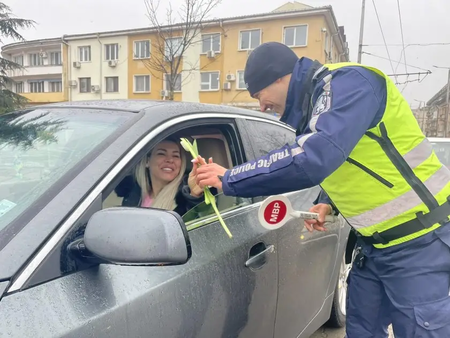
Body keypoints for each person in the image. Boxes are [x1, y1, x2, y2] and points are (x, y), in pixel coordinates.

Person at [194, 41, 450, 337]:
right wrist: (328, 202)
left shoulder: (351, 83)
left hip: (419, 242)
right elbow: (352, 161)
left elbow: (314, 158)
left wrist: (230, 177)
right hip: (374, 248)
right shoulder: (315, 110)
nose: (262, 106)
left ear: (279, 76)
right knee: (362, 331)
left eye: (259, 94)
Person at [115, 138, 214, 216]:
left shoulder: (186, 196)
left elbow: (200, 217)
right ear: (147, 161)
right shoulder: (133, 192)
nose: (170, 160)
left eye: (175, 156)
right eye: (161, 153)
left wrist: (194, 197)